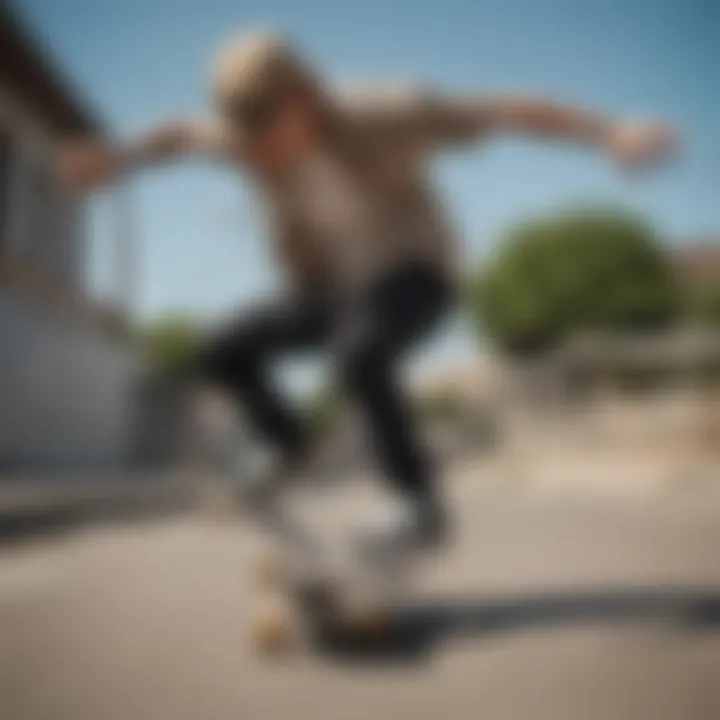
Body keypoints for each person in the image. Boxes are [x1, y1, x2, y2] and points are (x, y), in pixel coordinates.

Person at [57, 30, 678, 554]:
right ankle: (287, 447)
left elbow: (504, 109)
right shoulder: (242, 139)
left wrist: (608, 131)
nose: (263, 154)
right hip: (329, 289)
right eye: (250, 141)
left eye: (273, 134)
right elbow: (176, 136)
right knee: (220, 348)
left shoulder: (385, 112)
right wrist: (116, 158)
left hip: (417, 276)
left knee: (361, 352)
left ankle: (418, 503)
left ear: (305, 98)